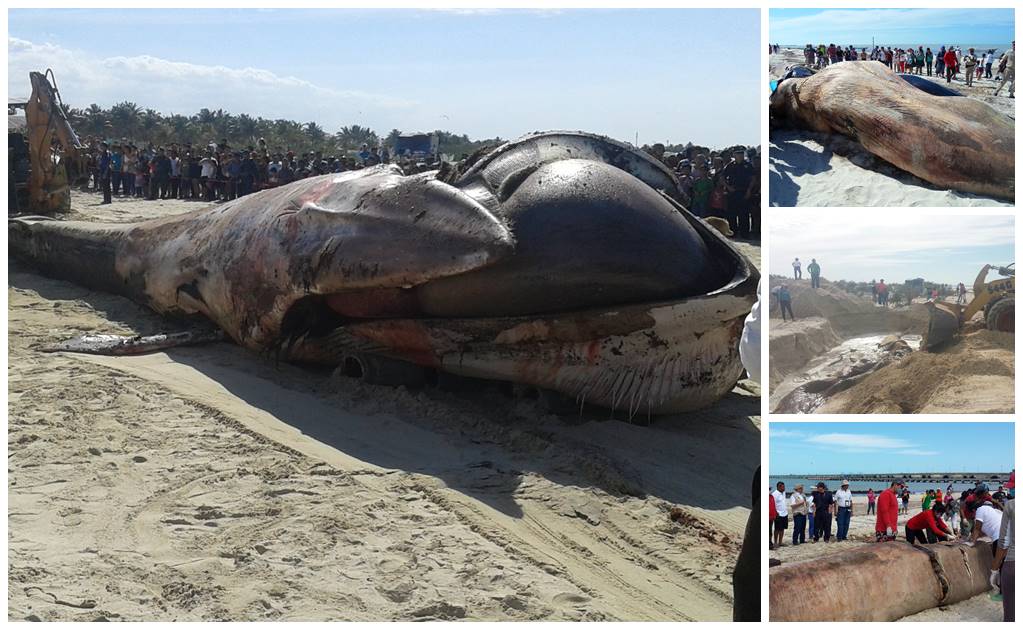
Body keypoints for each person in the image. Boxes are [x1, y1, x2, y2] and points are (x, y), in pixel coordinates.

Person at [992, 482, 1014, 621]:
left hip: (1014, 562)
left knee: (1012, 616)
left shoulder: (1011, 505)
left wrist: (994, 570)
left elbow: (1004, 541)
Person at [772, 482, 789, 549]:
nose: (784, 488)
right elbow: (773, 504)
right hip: (778, 514)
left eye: (784, 487)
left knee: (782, 528)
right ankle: (775, 542)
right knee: (777, 529)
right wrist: (776, 512)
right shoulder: (775, 494)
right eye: (783, 487)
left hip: (785, 513)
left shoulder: (783, 493)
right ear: (779, 487)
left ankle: (780, 542)